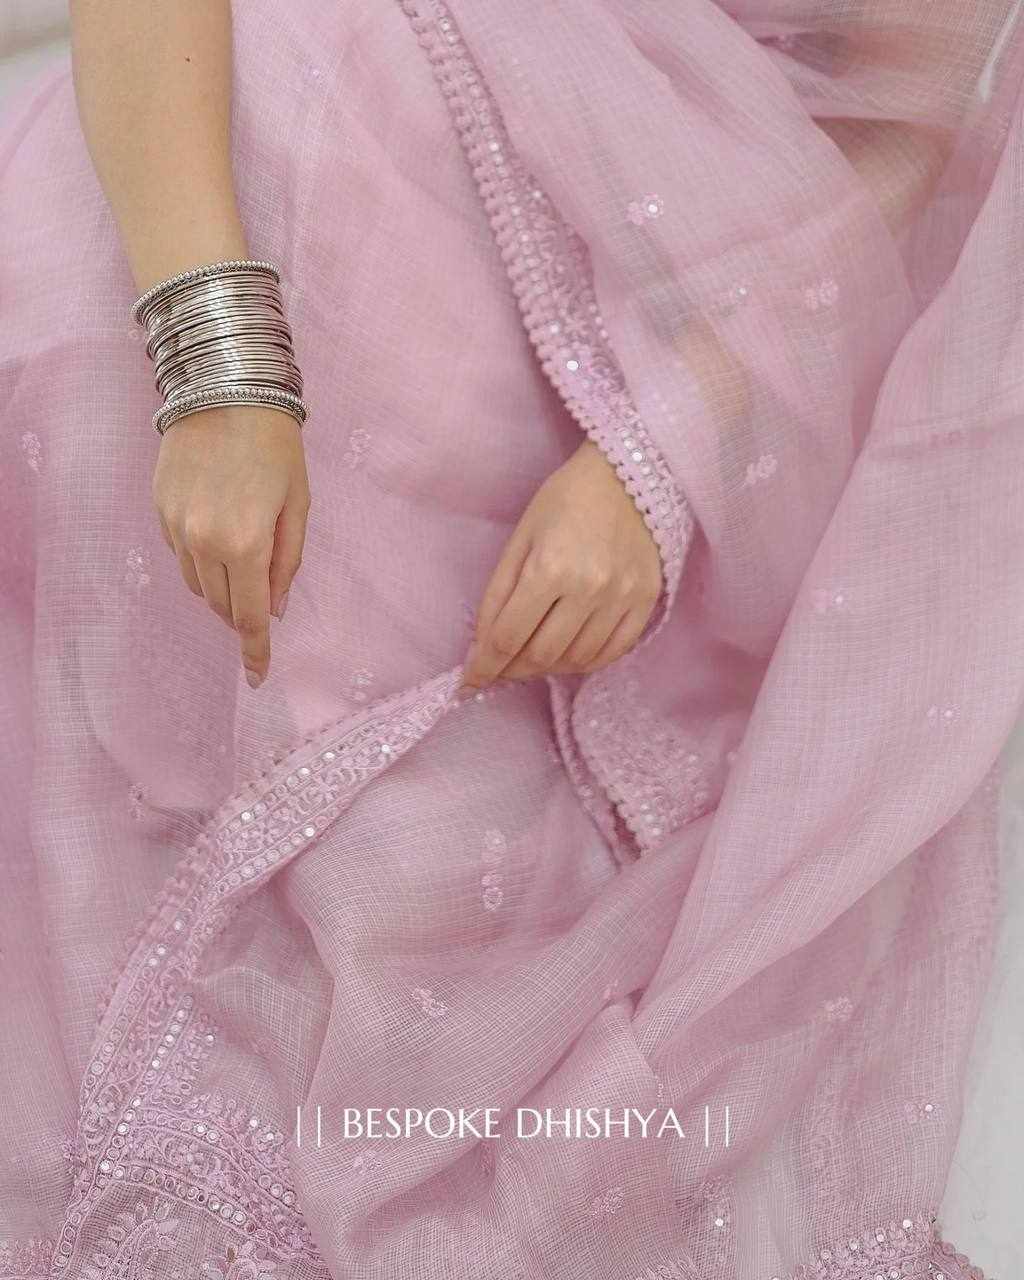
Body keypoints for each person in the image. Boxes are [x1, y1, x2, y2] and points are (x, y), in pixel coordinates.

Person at [0, 0, 1020, 1276]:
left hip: (682, 311)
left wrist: (667, 446)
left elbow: (897, 114)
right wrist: (217, 365)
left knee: (431, 866)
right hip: (219, 189)